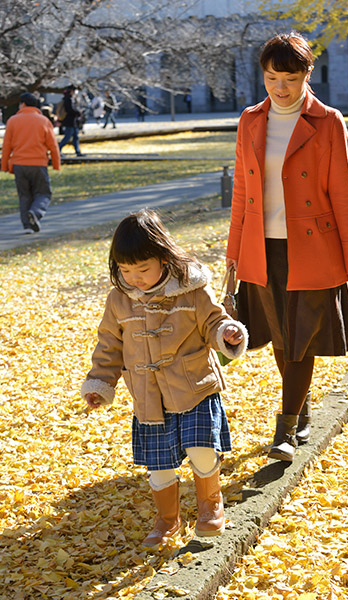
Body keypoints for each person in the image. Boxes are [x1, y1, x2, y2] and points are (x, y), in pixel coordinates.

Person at [226, 32, 348, 463]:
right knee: (282, 339)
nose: (280, 87)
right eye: (272, 78)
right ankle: (300, 413)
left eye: (289, 78)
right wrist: (233, 252)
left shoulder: (329, 122)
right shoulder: (251, 120)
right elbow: (241, 191)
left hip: (313, 247)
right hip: (261, 245)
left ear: (307, 74)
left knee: (301, 339)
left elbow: (342, 193)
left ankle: (285, 430)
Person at [81, 209, 248, 547]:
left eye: (143, 269)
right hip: (149, 396)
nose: (135, 278)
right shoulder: (119, 300)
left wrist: (227, 332)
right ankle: (168, 519)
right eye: (126, 270)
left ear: (164, 258)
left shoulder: (191, 290)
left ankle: (210, 505)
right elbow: (109, 345)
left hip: (194, 387)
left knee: (202, 448)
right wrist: (100, 383)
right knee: (159, 465)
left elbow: (214, 322)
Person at [1, 92, 61, 233]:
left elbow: (7, 146)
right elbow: (53, 145)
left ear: (23, 104)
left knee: (24, 195)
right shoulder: (44, 121)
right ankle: (36, 212)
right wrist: (56, 164)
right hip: (38, 163)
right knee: (44, 193)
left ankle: (27, 226)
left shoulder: (12, 121)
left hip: (19, 164)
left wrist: (4, 165)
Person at [58, 85, 83, 156]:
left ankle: (78, 151)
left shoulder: (70, 99)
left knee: (75, 137)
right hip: (70, 121)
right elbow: (70, 110)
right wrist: (78, 112)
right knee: (68, 137)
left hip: (73, 121)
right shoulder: (68, 99)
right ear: (71, 91)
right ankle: (58, 150)